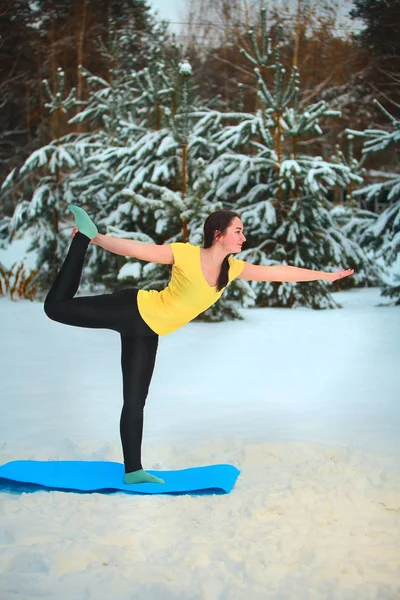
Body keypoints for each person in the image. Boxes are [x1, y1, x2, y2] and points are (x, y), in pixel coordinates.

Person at [44, 205, 354, 484]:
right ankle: (81, 239)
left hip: (148, 331)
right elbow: (137, 250)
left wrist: (323, 276)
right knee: (55, 308)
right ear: (218, 235)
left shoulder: (231, 269)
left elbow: (278, 273)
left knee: (136, 399)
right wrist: (96, 237)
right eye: (238, 231)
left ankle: (133, 470)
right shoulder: (186, 254)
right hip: (133, 309)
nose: (243, 237)